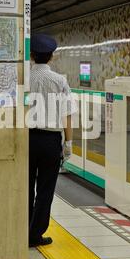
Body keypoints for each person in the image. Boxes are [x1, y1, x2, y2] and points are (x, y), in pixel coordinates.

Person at [28, 34, 78, 247]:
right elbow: (67, 114)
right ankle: (35, 234)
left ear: (31, 56)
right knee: (46, 189)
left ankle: (21, 229)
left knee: (25, 186)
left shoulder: (23, 79)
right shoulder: (60, 81)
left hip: (27, 139)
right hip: (50, 141)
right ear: (51, 57)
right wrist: (68, 144)